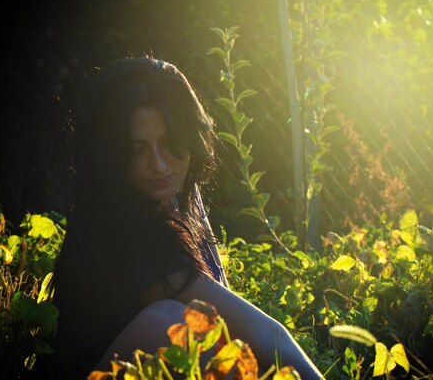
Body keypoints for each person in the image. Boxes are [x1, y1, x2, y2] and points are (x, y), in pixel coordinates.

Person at [45, 57, 323, 380]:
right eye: (138, 149)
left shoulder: (174, 193)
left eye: (169, 142)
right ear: (111, 154)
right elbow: (260, 332)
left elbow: (230, 321)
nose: (160, 165)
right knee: (167, 321)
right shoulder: (119, 228)